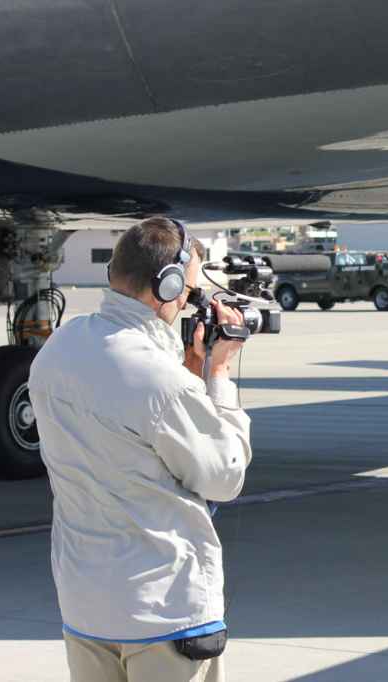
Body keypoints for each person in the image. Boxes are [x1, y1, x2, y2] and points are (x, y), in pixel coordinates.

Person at [29, 217, 252, 681]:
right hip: (162, 610)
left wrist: (188, 368)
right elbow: (225, 476)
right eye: (188, 292)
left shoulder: (58, 349)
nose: (188, 302)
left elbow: (126, 424)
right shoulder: (162, 382)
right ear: (166, 287)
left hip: (87, 605)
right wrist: (219, 376)